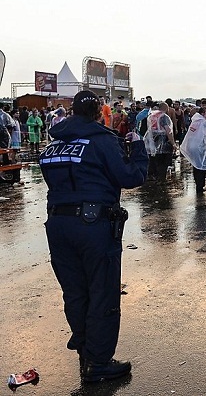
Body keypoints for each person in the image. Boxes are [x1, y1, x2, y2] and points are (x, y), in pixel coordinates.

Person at [39, 90, 148, 382]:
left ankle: (86, 350)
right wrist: (138, 150)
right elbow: (130, 177)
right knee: (102, 290)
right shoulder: (102, 141)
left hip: (58, 225)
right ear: (99, 112)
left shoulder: (55, 144)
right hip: (93, 226)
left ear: (72, 111)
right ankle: (98, 363)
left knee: (75, 292)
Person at [180, 106, 206, 195]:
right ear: (202, 114)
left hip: (192, 146)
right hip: (200, 147)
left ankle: (198, 185)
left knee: (196, 166)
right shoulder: (204, 123)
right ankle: (200, 186)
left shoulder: (194, 121)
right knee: (201, 167)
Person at [144, 102, 177, 182]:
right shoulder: (164, 117)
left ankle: (154, 176)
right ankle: (161, 179)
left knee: (155, 160)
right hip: (163, 141)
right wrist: (173, 143)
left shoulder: (152, 116)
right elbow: (168, 131)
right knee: (163, 162)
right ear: (166, 108)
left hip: (153, 141)